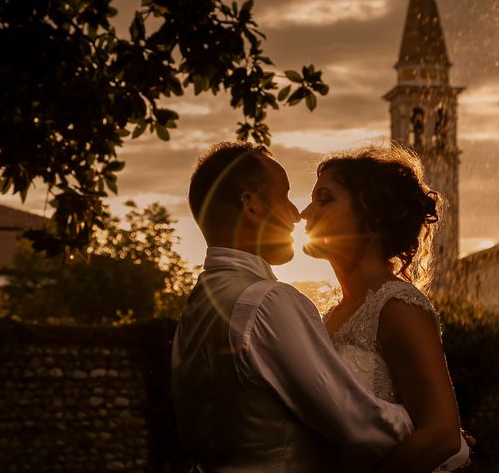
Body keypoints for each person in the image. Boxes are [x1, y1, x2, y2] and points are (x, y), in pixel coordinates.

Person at [170, 141, 414, 472]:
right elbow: (357, 423)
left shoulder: (197, 305)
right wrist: (432, 430)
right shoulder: (267, 301)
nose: (296, 214)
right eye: (284, 196)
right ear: (251, 207)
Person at [300, 144, 471, 472]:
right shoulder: (333, 315)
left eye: (325, 199)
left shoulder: (397, 307)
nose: (306, 214)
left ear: (371, 215)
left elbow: (441, 435)